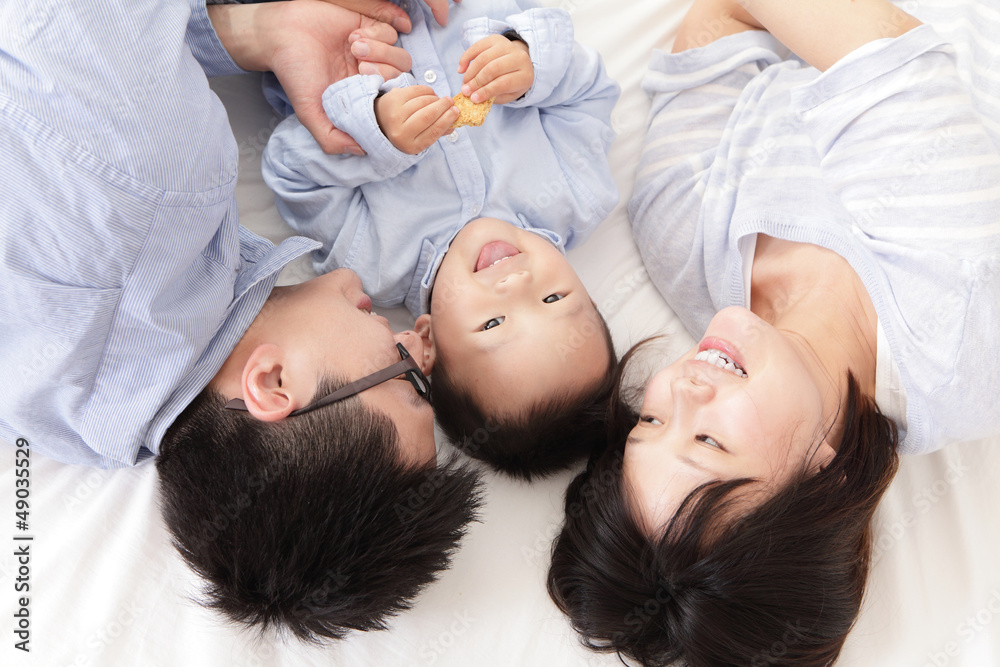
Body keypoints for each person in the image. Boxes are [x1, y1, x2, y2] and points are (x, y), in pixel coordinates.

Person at [0, 0, 482, 642]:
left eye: (406, 381)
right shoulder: (58, 418)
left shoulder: (155, 189)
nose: (414, 344)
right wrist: (246, 32)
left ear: (273, 384)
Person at [547, 0, 1000, 664]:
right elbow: (876, 48)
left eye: (650, 422)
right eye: (710, 438)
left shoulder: (680, 236)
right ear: (827, 478)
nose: (685, 385)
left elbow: (723, 16)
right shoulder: (958, 335)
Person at [261, 0, 623, 479]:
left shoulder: (374, 263)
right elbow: (591, 92)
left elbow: (291, 173)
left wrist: (376, 136)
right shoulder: (578, 196)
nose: (514, 284)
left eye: (493, 324)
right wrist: (532, 64)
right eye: (554, 297)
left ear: (427, 340)